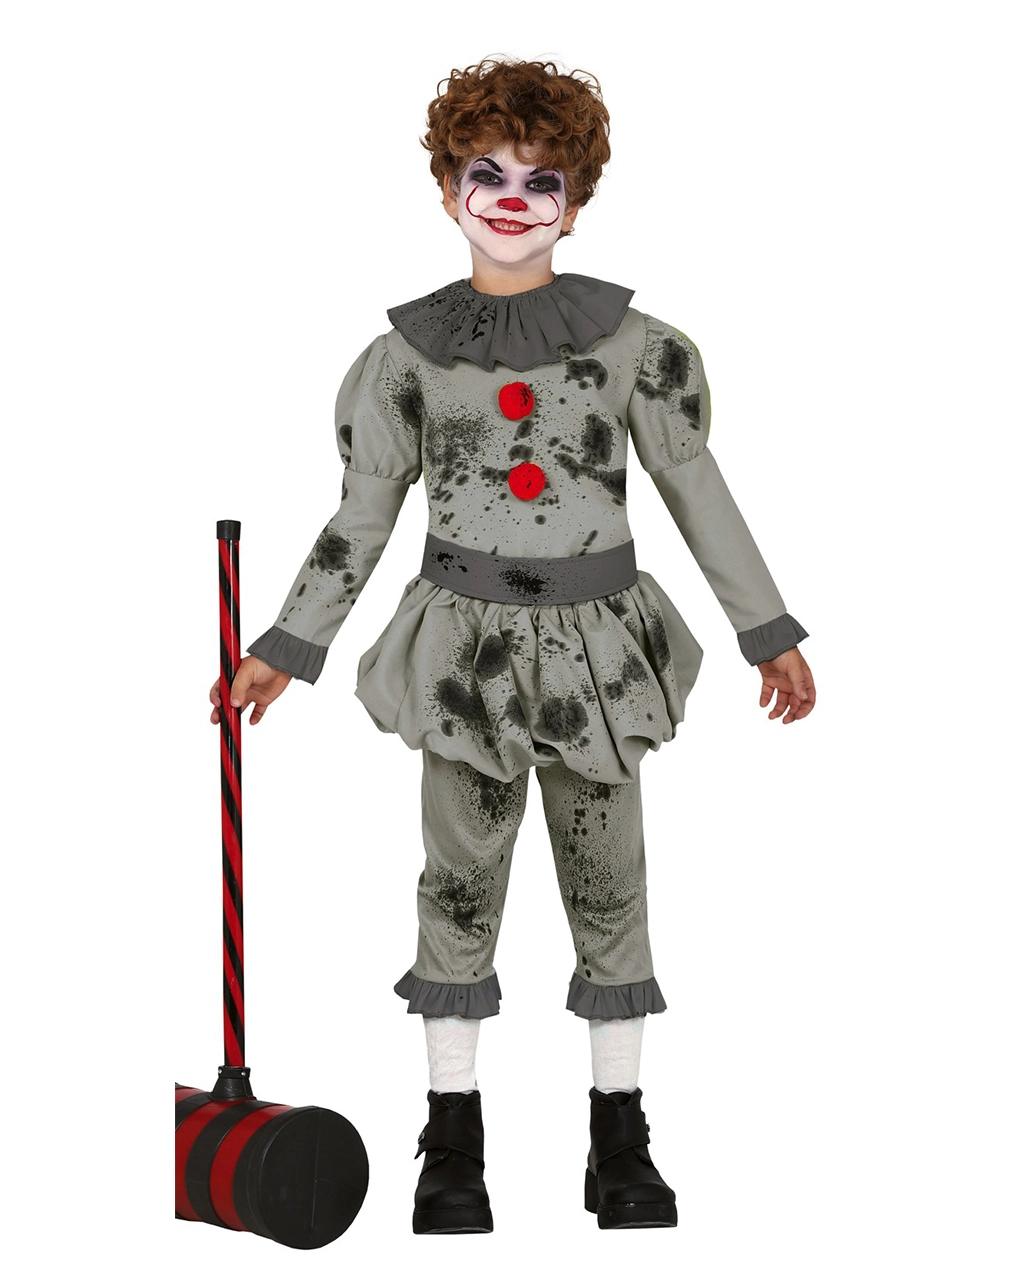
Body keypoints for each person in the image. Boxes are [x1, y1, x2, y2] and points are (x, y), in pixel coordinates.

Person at [209, 58, 816, 1234]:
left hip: (600, 660)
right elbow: (362, 517)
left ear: (574, 205)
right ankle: (452, 1138)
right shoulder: (407, 359)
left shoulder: (634, 348)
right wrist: (288, 642)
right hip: (465, 664)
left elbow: (696, 490)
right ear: (447, 188)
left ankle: (619, 1137)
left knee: (610, 884)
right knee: (457, 884)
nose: (511, 198)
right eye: (486, 173)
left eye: (542, 182)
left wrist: (767, 628)